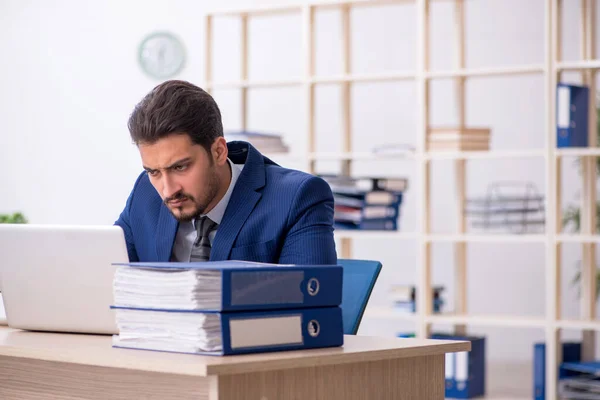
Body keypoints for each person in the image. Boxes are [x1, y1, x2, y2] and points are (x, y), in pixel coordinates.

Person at [114, 80, 337, 265]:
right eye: (154, 172)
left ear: (219, 151)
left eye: (180, 167)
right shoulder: (145, 193)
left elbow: (309, 306)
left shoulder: (296, 198)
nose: (168, 189)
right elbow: (107, 281)